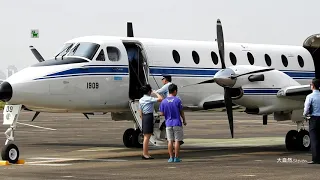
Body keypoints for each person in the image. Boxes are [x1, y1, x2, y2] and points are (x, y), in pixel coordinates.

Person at [159, 83, 187, 163]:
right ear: (175, 91)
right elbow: (181, 112)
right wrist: (184, 120)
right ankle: (176, 157)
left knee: (170, 140)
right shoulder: (177, 100)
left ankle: (171, 157)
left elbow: (162, 113)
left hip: (168, 123)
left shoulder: (164, 102)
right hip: (177, 123)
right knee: (177, 140)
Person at [139, 84, 163, 160]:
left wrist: (143, 118)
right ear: (149, 91)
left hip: (144, 117)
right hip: (148, 116)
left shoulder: (141, 99)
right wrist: (155, 93)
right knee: (147, 137)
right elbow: (160, 99)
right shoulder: (149, 99)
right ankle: (145, 154)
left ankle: (146, 153)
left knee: (146, 136)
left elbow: (140, 111)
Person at [303, 78, 320, 164]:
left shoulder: (310, 96)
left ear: (313, 86)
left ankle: (316, 159)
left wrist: (305, 115)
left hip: (314, 119)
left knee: (314, 139)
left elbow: (306, 109)